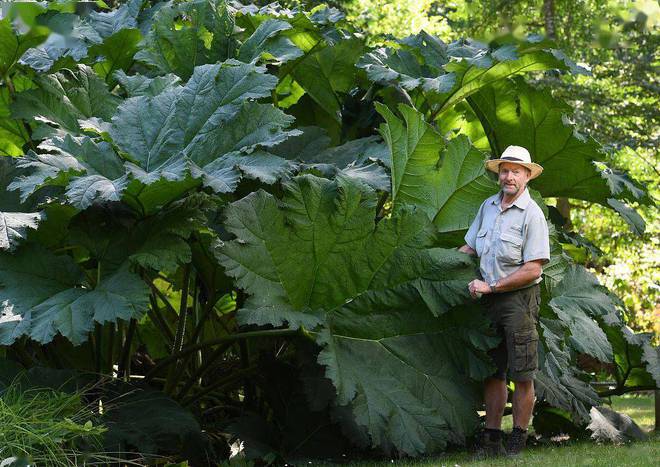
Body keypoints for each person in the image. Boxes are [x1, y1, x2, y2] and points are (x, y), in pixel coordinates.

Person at [458, 145, 550, 457]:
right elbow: (469, 249)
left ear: (527, 176)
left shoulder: (532, 215)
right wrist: (435, 268)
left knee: (522, 374)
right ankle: (492, 438)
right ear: (499, 174)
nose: (508, 176)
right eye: (504, 170)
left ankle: (518, 441)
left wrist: (492, 286)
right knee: (492, 372)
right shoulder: (487, 207)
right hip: (488, 300)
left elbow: (533, 268)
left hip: (518, 301)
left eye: (516, 171)